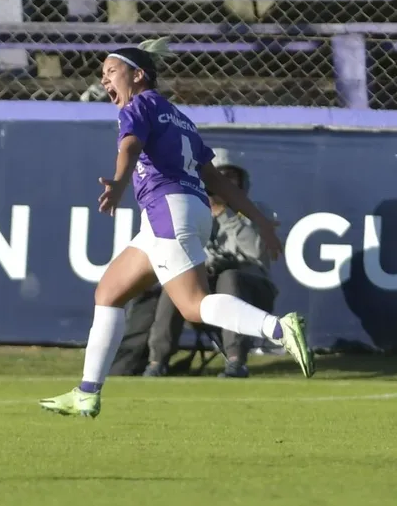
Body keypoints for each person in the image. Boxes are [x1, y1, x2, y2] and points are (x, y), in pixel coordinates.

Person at [40, 39, 314, 418]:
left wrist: (119, 183)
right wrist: (261, 220)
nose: (104, 79)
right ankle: (87, 391)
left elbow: (130, 146)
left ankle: (280, 330)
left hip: (167, 209)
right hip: (186, 209)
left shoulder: (139, 105)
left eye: (111, 71)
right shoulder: (179, 118)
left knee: (193, 305)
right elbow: (217, 181)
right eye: (102, 73)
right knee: (109, 292)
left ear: (138, 75)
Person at [143, 147, 279, 379]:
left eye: (229, 176)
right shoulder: (190, 212)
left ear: (241, 181)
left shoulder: (258, 211)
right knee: (177, 281)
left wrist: (226, 213)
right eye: (216, 176)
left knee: (230, 277)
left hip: (252, 293)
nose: (221, 182)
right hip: (203, 295)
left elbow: (256, 252)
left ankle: (236, 361)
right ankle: (156, 362)